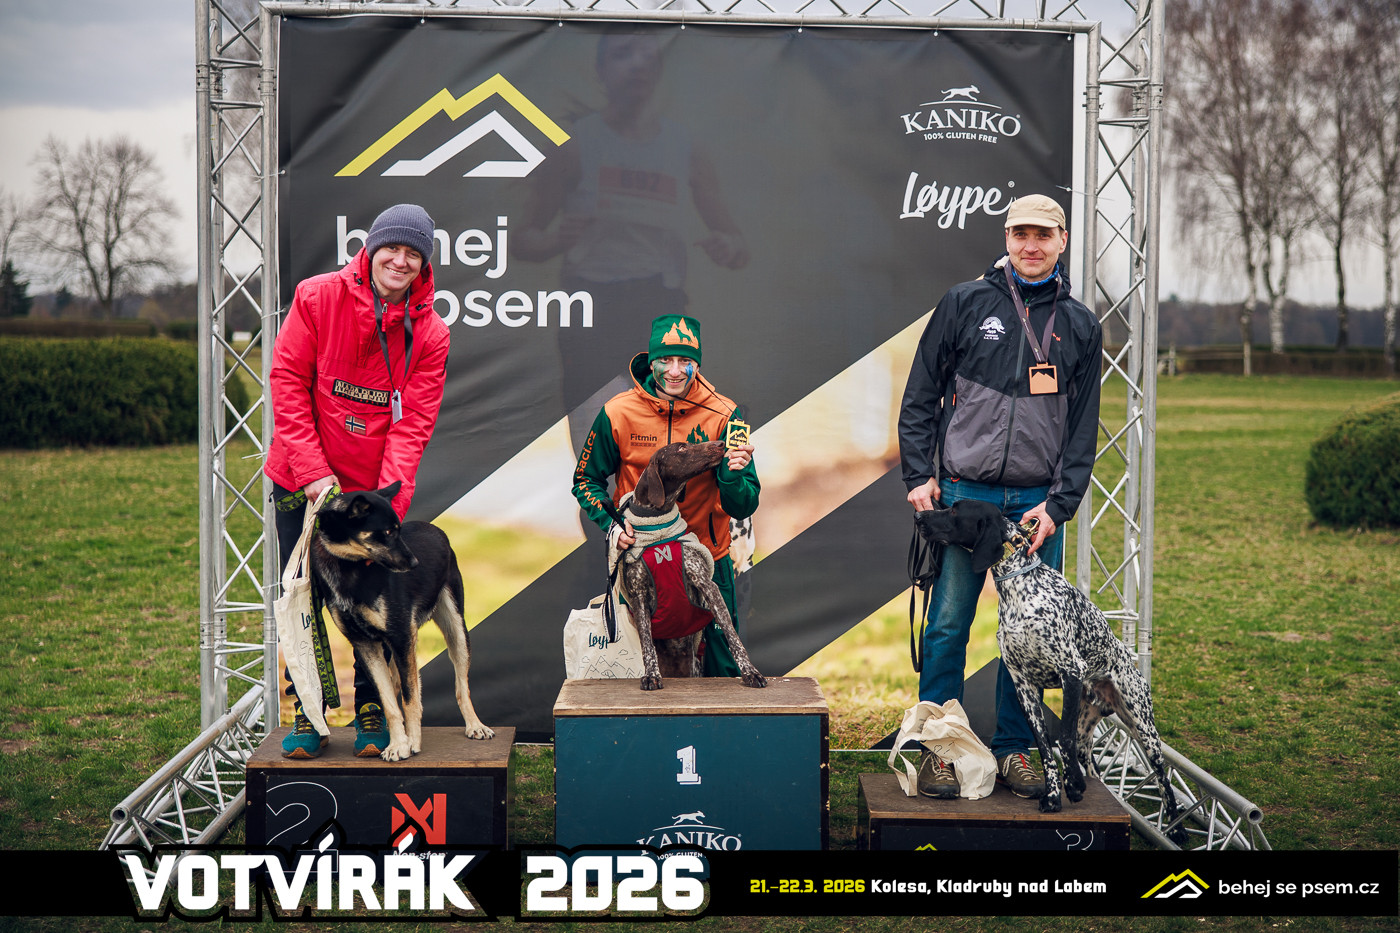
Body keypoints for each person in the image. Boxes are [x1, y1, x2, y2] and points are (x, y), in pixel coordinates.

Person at [897, 194, 1102, 799]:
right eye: (1020, 234)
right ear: (1006, 238)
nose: (1030, 246)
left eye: (1043, 235)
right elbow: (921, 393)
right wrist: (918, 474)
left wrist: (1059, 505)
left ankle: (1015, 749)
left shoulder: (1081, 324)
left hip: (1036, 505)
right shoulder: (965, 302)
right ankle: (939, 749)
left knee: (1029, 637)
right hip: (966, 495)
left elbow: (1083, 427)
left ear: (1062, 240)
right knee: (947, 625)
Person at [264, 203, 449, 759]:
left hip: (367, 497)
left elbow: (413, 427)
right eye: (391, 248)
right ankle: (308, 712)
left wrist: (386, 505)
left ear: (424, 265)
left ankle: (372, 708)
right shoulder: (317, 296)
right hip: (301, 481)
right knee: (304, 597)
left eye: (413, 253)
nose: (400, 261)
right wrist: (314, 475)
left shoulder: (431, 334)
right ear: (370, 250)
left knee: (375, 600)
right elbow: (288, 384)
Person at [572, 314, 759, 676]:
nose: (675, 371)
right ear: (651, 361)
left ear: (697, 364)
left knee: (723, 675)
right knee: (642, 675)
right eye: (665, 360)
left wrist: (733, 475)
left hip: (708, 558)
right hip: (640, 561)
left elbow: (744, 504)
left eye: (685, 361)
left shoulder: (726, 413)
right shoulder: (618, 411)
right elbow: (585, 480)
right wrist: (612, 526)